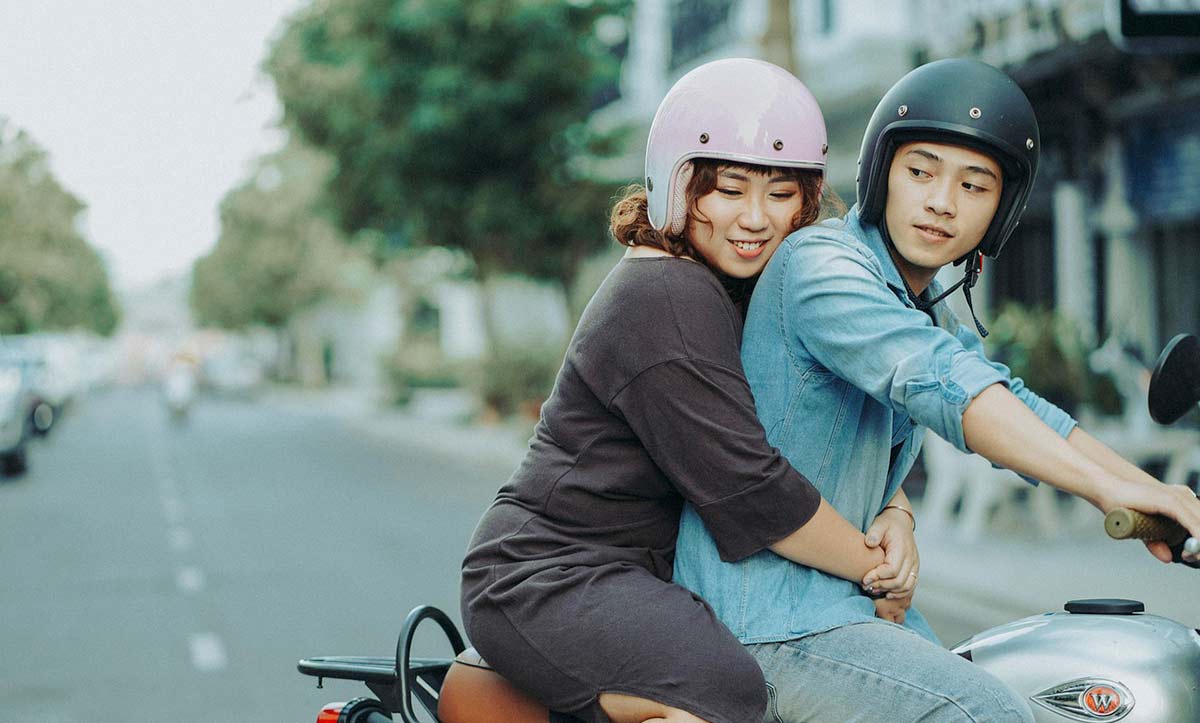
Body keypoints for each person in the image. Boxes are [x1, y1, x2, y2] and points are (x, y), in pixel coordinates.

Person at [673, 58, 1200, 723]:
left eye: (975, 185)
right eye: (920, 172)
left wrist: (1157, 492)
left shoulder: (930, 306)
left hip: (840, 611)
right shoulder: (822, 266)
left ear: (1002, 209)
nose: (942, 201)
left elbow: (1012, 401)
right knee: (988, 713)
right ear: (880, 173)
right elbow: (948, 387)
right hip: (767, 625)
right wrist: (1113, 489)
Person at [459, 58, 914, 723]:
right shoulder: (667, 291)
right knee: (724, 686)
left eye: (781, 192)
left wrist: (896, 510)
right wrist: (874, 568)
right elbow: (751, 486)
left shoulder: (736, 285)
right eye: (728, 189)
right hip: (549, 577)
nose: (756, 218)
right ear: (679, 184)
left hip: (638, 576)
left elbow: (829, 410)